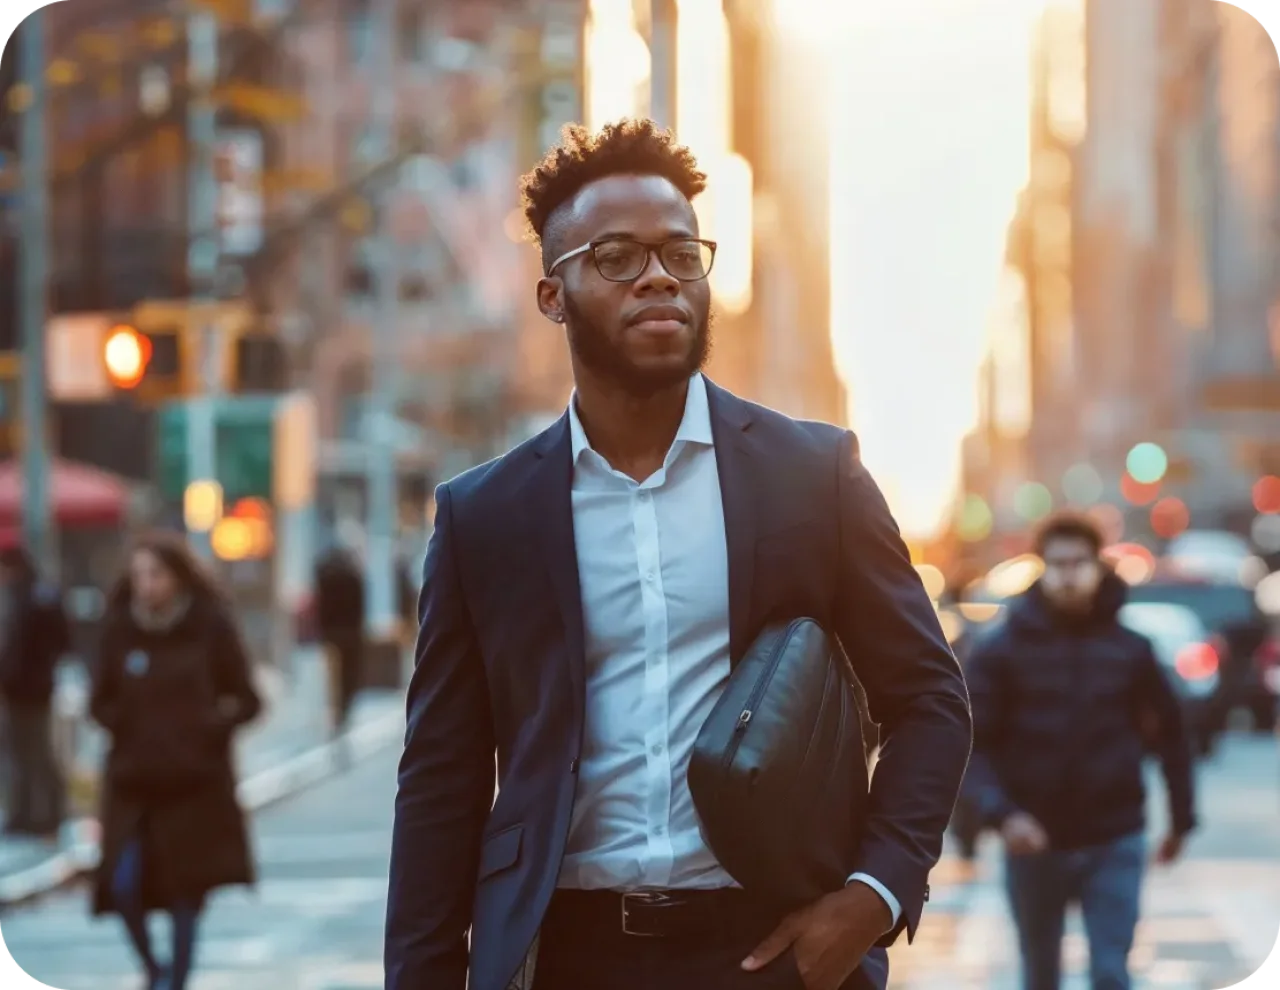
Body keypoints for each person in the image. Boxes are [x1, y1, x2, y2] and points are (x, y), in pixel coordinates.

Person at [385, 119, 972, 990]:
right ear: (554, 294)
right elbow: (443, 775)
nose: (658, 275)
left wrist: (873, 893)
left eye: (680, 253)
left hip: (772, 945)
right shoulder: (486, 517)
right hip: (568, 953)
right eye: (616, 256)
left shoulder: (812, 475)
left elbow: (930, 700)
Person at [964, 513, 1197, 990]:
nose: (1068, 574)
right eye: (1057, 563)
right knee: (1040, 973)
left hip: (1113, 836)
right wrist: (1003, 815)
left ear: (1098, 567)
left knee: (1112, 972)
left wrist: (1180, 819)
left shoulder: (1132, 649)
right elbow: (972, 746)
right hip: (1033, 839)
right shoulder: (1001, 651)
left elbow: (1172, 737)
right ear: (1041, 568)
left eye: (1078, 562)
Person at [89, 532, 261, 990]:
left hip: (193, 787)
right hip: (133, 784)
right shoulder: (119, 629)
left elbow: (247, 699)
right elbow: (98, 699)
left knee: (186, 894)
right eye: (139, 575)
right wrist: (128, 724)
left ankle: (175, 982)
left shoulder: (209, 625)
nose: (147, 584)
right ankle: (154, 967)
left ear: (179, 577)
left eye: (156, 574)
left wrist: (205, 728)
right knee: (123, 885)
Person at [0, 546, 71, 838]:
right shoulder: (22, 594)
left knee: (37, 752)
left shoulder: (34, 596)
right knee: (21, 752)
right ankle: (28, 812)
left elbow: (58, 639)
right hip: (18, 686)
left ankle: (47, 813)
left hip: (32, 688)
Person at [312, 543, 365, 737]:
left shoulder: (325, 578)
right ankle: (343, 708)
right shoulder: (353, 577)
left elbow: (321, 607)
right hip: (350, 633)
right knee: (348, 675)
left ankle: (335, 708)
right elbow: (359, 607)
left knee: (333, 675)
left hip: (332, 633)